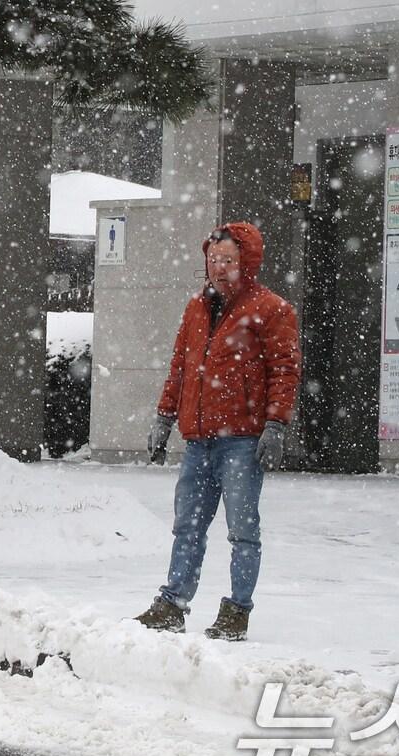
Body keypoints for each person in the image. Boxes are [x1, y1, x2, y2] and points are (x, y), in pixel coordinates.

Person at [136, 222, 300, 641]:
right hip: (198, 439)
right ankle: (172, 602)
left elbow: (284, 371)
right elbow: (181, 366)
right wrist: (164, 416)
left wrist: (275, 425)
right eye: (213, 259)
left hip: (242, 441)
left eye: (228, 259)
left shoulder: (271, 309)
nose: (219, 267)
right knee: (187, 525)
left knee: (243, 530)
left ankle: (237, 611)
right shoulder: (196, 307)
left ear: (247, 262)